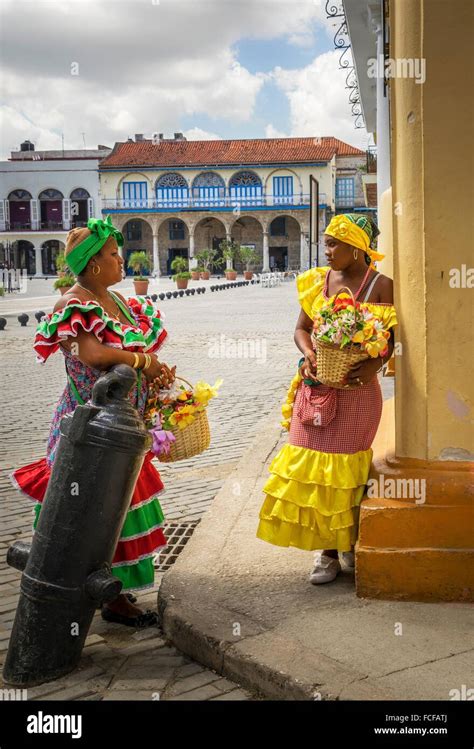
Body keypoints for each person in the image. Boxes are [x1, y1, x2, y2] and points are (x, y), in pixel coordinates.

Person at [11, 216, 176, 627]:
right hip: (89, 429)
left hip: (124, 426)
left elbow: (132, 352)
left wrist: (157, 372)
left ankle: (115, 594)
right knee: (89, 509)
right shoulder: (73, 302)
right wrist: (143, 361)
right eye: (114, 255)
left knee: (119, 507)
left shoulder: (121, 303)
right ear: (94, 264)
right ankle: (82, 594)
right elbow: (92, 354)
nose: (122, 261)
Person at [256, 213, 398, 584]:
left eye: (334, 244)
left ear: (357, 248)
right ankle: (327, 552)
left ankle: (346, 542)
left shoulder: (381, 285)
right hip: (315, 390)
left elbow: (392, 339)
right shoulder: (319, 282)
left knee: (345, 472)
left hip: (357, 396)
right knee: (309, 466)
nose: (327, 250)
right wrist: (309, 353)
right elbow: (301, 329)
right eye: (327, 243)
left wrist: (374, 365)